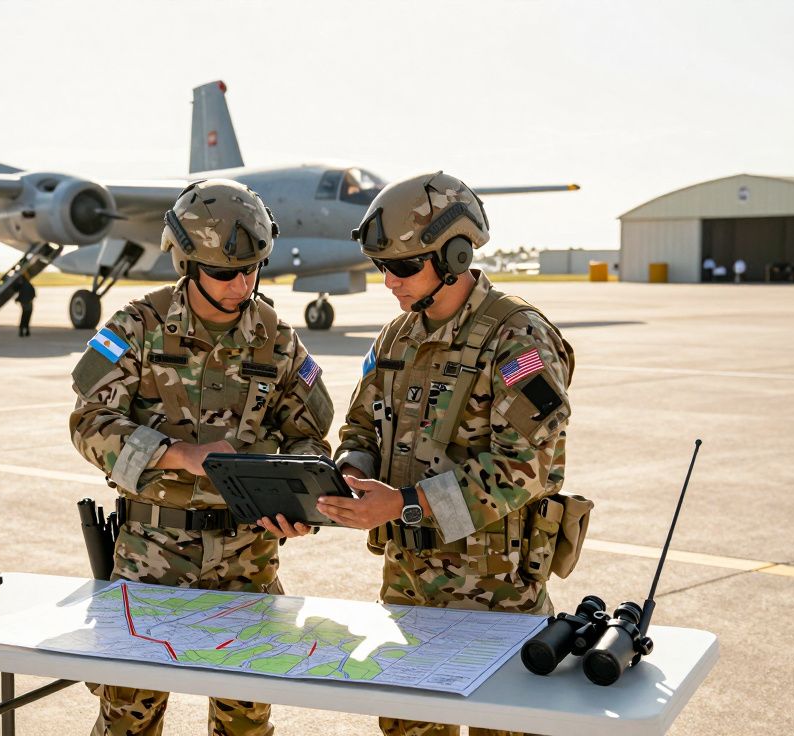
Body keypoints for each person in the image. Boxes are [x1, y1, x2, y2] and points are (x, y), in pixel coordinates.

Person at [70, 179, 333, 736]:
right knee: (127, 720)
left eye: (253, 269)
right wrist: (178, 455)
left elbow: (310, 438)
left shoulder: (279, 341)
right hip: (152, 559)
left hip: (248, 561)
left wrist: (300, 502)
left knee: (246, 723)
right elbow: (89, 423)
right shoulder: (137, 327)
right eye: (224, 272)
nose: (242, 284)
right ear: (186, 263)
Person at [317, 172, 574, 736]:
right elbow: (360, 426)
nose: (390, 281)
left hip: (493, 594)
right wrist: (352, 468)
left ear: (455, 255)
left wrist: (402, 503)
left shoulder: (518, 340)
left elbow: (526, 468)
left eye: (405, 267)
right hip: (407, 587)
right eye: (381, 266)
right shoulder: (395, 338)